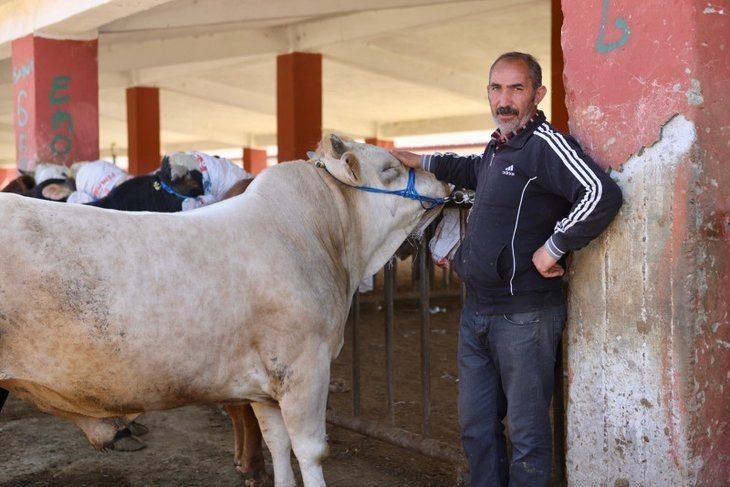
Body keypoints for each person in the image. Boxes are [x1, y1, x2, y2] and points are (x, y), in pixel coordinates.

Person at [392, 52, 622, 486]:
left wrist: (553, 247)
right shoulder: (500, 145)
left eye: (517, 88)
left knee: (528, 433)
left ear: (538, 93)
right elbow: (479, 171)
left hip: (525, 315)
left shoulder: (544, 144)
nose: (505, 99)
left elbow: (600, 193)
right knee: (476, 428)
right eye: (497, 88)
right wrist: (422, 161)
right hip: (477, 311)